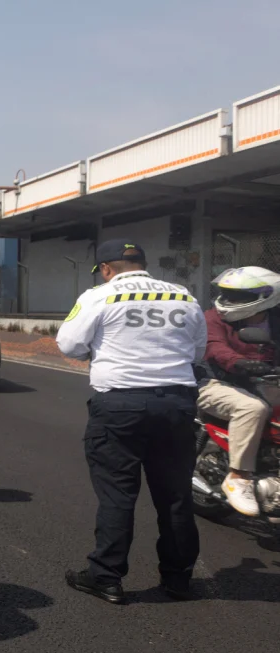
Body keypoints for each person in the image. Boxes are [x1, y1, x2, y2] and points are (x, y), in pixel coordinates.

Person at [56, 239, 206, 604]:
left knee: (118, 495)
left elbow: (69, 345)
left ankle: (105, 577)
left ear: (105, 268)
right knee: (175, 497)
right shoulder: (183, 296)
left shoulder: (98, 296)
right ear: (142, 263)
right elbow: (198, 350)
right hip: (176, 403)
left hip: (120, 406)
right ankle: (178, 579)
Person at [196, 266, 280, 517]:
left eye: (240, 297)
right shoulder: (212, 318)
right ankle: (239, 477)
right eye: (228, 294)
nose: (230, 302)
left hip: (266, 383)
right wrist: (238, 362)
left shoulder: (276, 321)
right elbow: (214, 347)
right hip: (214, 383)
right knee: (253, 408)